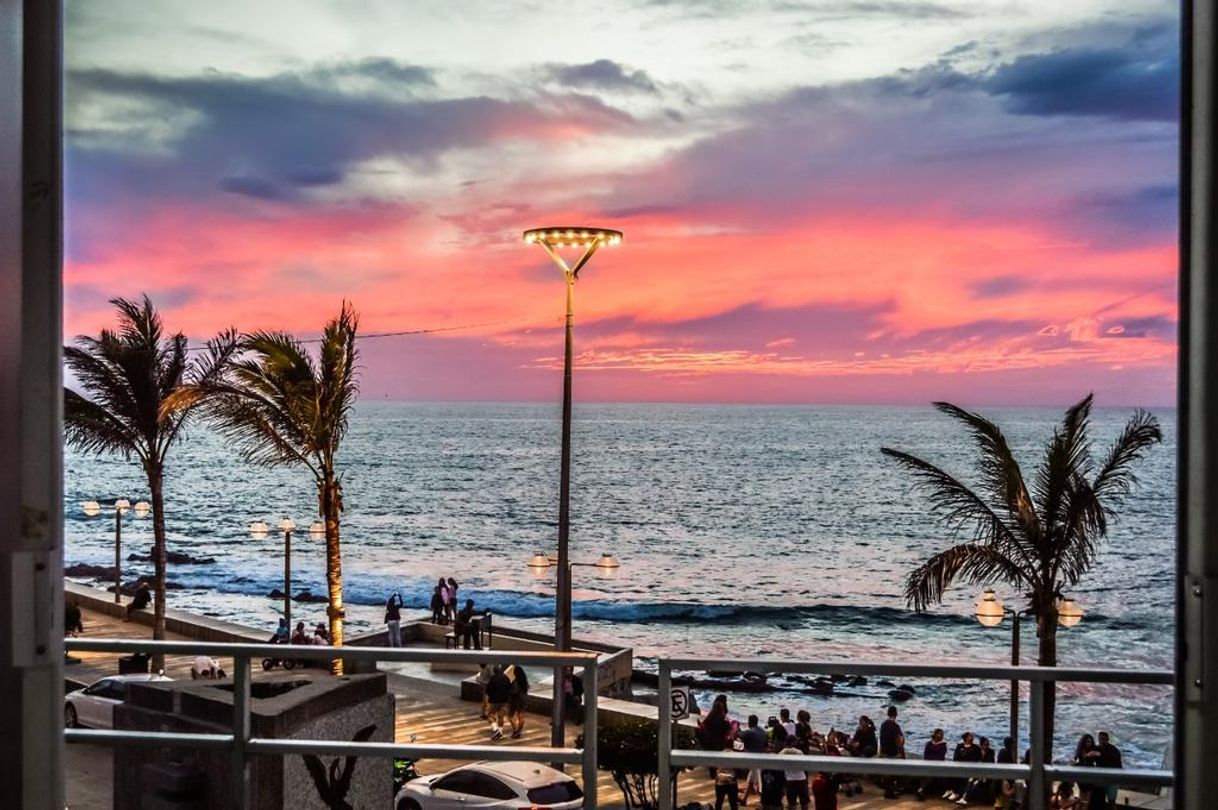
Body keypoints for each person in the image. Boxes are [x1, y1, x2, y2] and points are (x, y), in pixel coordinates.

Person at [944, 730, 980, 802]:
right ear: (966, 738)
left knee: (966, 777)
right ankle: (951, 791)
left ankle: (958, 794)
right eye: (970, 736)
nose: (972, 738)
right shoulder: (959, 746)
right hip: (960, 766)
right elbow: (956, 758)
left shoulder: (976, 748)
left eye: (972, 737)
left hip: (970, 768)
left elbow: (976, 759)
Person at [740, 714, 768, 805]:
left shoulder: (749, 732)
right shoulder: (763, 731)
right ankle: (744, 799)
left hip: (753, 759)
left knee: (759, 782)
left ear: (749, 722)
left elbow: (740, 735)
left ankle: (762, 803)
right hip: (761, 757)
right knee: (751, 778)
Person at [878, 706, 904, 799]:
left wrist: (880, 751)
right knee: (893, 771)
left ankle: (888, 790)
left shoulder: (883, 724)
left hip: (884, 751)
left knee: (887, 772)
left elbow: (880, 738)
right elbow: (899, 741)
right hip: (892, 752)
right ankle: (891, 791)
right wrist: (902, 753)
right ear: (896, 714)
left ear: (887, 713)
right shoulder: (895, 726)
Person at [915, 727, 948, 800]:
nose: (940, 736)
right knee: (923, 773)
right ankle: (921, 790)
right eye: (939, 734)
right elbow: (926, 755)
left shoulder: (943, 745)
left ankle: (921, 789)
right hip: (928, 763)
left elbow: (941, 757)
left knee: (931, 773)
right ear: (935, 735)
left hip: (937, 765)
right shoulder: (929, 744)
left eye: (941, 734)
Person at [780, 735, 809, 810]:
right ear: (793, 743)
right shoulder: (799, 752)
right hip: (801, 779)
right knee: (804, 803)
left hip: (790, 781)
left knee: (792, 804)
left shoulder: (782, 753)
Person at [485, 664, 512, 740]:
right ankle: (500, 732)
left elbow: (488, 690)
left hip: (494, 701)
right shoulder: (506, 678)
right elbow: (510, 688)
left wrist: (487, 701)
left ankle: (496, 730)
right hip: (504, 701)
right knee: (501, 717)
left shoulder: (493, 678)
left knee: (490, 715)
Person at [1096, 731, 1123, 807]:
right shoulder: (1097, 749)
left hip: (1112, 780)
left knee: (1112, 802)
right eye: (1100, 739)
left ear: (1107, 739)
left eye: (1103, 739)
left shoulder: (1114, 750)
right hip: (1101, 779)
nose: (1102, 741)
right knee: (1101, 801)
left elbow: (1119, 766)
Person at [506, 662, 529, 738]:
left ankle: (515, 730)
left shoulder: (515, 682)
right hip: (524, 699)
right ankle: (519, 731)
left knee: (510, 715)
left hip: (516, 700)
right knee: (521, 716)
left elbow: (514, 691)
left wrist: (508, 690)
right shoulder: (524, 682)